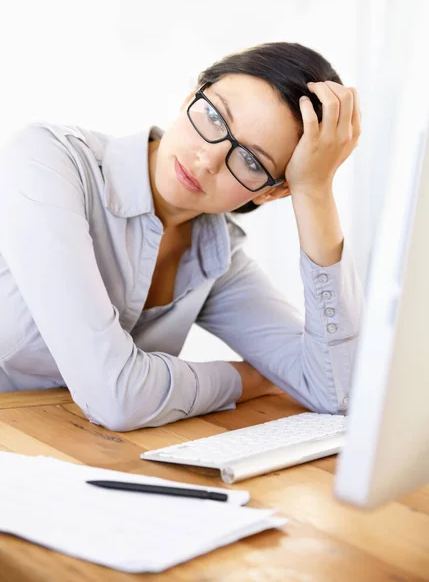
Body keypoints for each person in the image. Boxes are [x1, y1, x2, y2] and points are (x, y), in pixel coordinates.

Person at [0, 42, 364, 431]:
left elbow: (336, 390)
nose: (208, 159)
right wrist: (251, 379)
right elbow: (116, 398)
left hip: (55, 452)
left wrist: (314, 191)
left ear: (271, 191)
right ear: (192, 94)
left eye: (250, 160)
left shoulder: (216, 260)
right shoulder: (47, 161)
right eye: (213, 116)